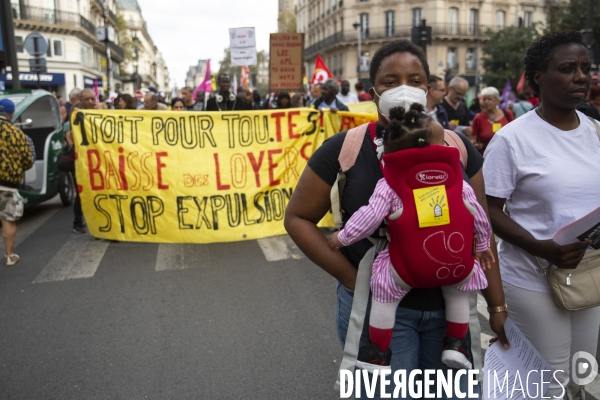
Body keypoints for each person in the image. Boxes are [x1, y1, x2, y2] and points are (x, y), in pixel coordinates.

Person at [285, 40, 508, 399]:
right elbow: (297, 218)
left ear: (429, 88)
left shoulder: (458, 147)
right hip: (380, 311)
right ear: (372, 92)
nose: (403, 88)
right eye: (390, 81)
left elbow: (481, 229)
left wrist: (496, 305)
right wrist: (354, 279)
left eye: (415, 79)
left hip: (449, 309)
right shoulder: (345, 148)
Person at [328, 103, 494, 371]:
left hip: (405, 268)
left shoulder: (390, 183)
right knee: (458, 295)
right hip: (456, 263)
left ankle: (379, 353)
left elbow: (368, 219)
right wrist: (484, 246)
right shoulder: (458, 182)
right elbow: (480, 217)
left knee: (384, 295)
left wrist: (343, 238)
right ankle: (455, 346)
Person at [484, 30, 600, 399]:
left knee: (583, 374)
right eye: (568, 69)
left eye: (586, 68)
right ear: (538, 76)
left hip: (587, 274)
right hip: (533, 277)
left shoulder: (596, 132)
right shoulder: (511, 139)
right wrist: (542, 247)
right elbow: (486, 209)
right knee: (548, 383)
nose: (581, 77)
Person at [0, 99, 33, 266]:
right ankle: (9, 255)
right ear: (12, 114)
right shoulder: (17, 133)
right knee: (8, 219)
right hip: (8, 183)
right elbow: (28, 160)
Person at [65, 89, 98, 233]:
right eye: (87, 99)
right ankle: (78, 222)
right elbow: (71, 139)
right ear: (82, 100)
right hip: (81, 161)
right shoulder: (76, 115)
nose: (90, 102)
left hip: (98, 160)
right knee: (81, 191)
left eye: (92, 99)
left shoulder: (100, 112)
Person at [471, 87, 514, 154]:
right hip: (485, 155)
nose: (486, 101)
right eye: (484, 99)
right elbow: (473, 139)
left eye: (489, 99)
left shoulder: (507, 114)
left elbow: (514, 133)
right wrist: (476, 144)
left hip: (506, 154)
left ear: (497, 101)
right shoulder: (478, 118)